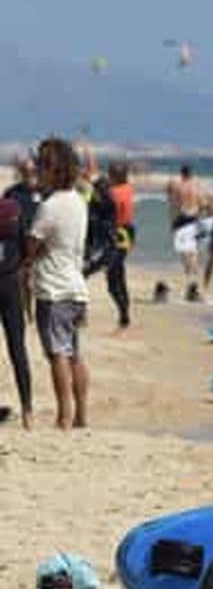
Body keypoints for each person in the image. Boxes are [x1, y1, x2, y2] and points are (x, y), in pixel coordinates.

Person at [28, 137, 90, 430]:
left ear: (52, 170)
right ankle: (81, 414)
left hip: (53, 289)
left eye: (41, 167)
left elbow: (32, 247)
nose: (37, 173)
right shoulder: (78, 201)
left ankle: (64, 416)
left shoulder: (49, 206)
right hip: (77, 287)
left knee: (58, 354)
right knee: (74, 353)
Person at [0, 193, 33, 429]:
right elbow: (24, 250)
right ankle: (27, 412)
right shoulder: (12, 210)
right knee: (18, 350)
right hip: (10, 284)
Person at [4, 155, 41, 321]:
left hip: (39, 243)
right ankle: (28, 312)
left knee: (37, 281)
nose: (29, 175)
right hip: (19, 242)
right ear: (21, 172)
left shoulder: (44, 191)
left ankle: (36, 312)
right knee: (23, 280)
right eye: (26, 171)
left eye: (32, 171)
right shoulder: (12, 192)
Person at [106, 161, 135, 330]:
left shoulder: (113, 193)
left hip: (116, 234)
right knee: (119, 274)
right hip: (128, 234)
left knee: (113, 280)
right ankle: (124, 314)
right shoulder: (128, 189)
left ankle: (124, 315)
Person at [168, 164, 202, 299]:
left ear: (182, 174)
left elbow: (174, 206)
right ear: (191, 173)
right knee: (193, 250)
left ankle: (190, 280)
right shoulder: (196, 186)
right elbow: (202, 202)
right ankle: (195, 280)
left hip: (182, 217)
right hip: (194, 216)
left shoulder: (179, 187)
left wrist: (172, 222)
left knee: (184, 251)